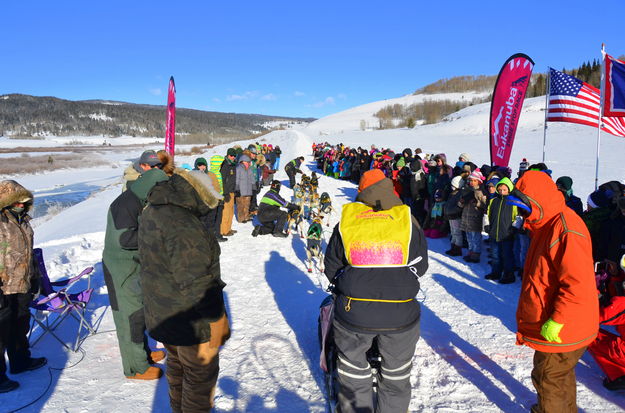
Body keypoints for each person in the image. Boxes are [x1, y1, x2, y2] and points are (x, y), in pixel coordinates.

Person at [324, 169, 429, 413]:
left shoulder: (347, 224)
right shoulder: (407, 221)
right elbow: (420, 266)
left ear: (361, 192)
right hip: (401, 315)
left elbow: (332, 267)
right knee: (397, 375)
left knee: (352, 371)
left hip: (354, 314)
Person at [138, 169, 230, 413]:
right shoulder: (184, 224)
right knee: (199, 380)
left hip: (163, 313)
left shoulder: (154, 208)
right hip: (189, 320)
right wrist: (217, 319)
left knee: (178, 370)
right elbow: (197, 283)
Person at [513, 170, 599, 413]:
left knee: (547, 377)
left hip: (565, 325)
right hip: (562, 322)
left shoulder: (565, 230)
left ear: (537, 201)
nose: (522, 213)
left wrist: (557, 320)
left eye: (524, 206)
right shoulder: (546, 222)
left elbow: (577, 284)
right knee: (559, 375)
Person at [102, 168, 169, 380]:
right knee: (129, 318)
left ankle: (143, 354)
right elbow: (124, 240)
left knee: (139, 314)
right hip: (120, 269)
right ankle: (136, 368)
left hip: (132, 265)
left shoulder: (138, 200)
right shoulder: (125, 204)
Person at [0, 180, 47, 393]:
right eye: (17, 201)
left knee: (20, 326)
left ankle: (21, 362)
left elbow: (28, 253)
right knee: (1, 333)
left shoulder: (24, 221)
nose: (22, 205)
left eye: (25, 201)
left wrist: (34, 277)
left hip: (21, 283)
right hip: (3, 287)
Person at [588, 254, 625, 390]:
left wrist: (592, 287)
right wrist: (615, 276)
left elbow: (597, 315)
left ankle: (618, 376)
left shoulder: (621, 304)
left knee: (589, 334)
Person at [485, 178, 517, 284]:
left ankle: (509, 274)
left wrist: (514, 228)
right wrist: (486, 225)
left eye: (504, 189)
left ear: (509, 189)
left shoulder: (513, 201)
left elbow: (517, 217)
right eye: (500, 189)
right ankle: (496, 272)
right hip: (494, 232)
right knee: (495, 254)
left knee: (507, 255)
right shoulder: (494, 200)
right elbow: (487, 213)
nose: (502, 191)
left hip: (506, 234)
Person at [460, 170, 487, 263]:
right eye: (470, 180)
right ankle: (470, 252)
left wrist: (478, 203)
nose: (472, 182)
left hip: (475, 218)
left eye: (474, 180)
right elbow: (461, 205)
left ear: (479, 181)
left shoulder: (480, 192)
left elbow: (485, 204)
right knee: (469, 237)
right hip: (466, 218)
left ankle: (476, 254)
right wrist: (461, 202)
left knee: (475, 237)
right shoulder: (466, 190)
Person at [220, 148, 238, 236]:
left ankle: (228, 228)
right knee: (226, 211)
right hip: (227, 192)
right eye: (231, 155)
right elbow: (222, 180)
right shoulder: (225, 165)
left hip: (232, 191)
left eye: (234, 156)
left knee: (231, 211)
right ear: (228, 155)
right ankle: (224, 230)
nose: (233, 157)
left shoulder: (234, 164)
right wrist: (225, 192)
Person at [235, 154, 255, 223]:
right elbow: (236, 179)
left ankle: (246, 217)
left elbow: (252, 179)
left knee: (247, 205)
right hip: (240, 191)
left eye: (249, 162)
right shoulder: (238, 169)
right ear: (242, 162)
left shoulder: (249, 170)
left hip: (248, 191)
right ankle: (241, 218)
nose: (249, 164)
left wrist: (254, 187)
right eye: (247, 162)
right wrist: (237, 189)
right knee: (240, 205)